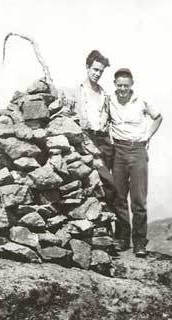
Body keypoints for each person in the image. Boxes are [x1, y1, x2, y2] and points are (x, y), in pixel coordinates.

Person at [110, 68, 163, 256]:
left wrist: (147, 136)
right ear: (114, 85)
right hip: (118, 150)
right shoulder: (110, 100)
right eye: (119, 85)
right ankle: (122, 238)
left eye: (126, 85)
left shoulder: (141, 100)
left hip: (138, 150)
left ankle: (140, 242)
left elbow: (158, 117)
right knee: (119, 197)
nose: (122, 88)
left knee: (139, 199)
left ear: (132, 84)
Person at [61, 50, 116, 209]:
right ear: (87, 67)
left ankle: (107, 228)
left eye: (101, 71)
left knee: (106, 188)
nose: (98, 74)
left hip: (104, 142)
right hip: (88, 140)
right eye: (95, 69)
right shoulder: (75, 92)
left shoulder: (105, 95)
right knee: (106, 183)